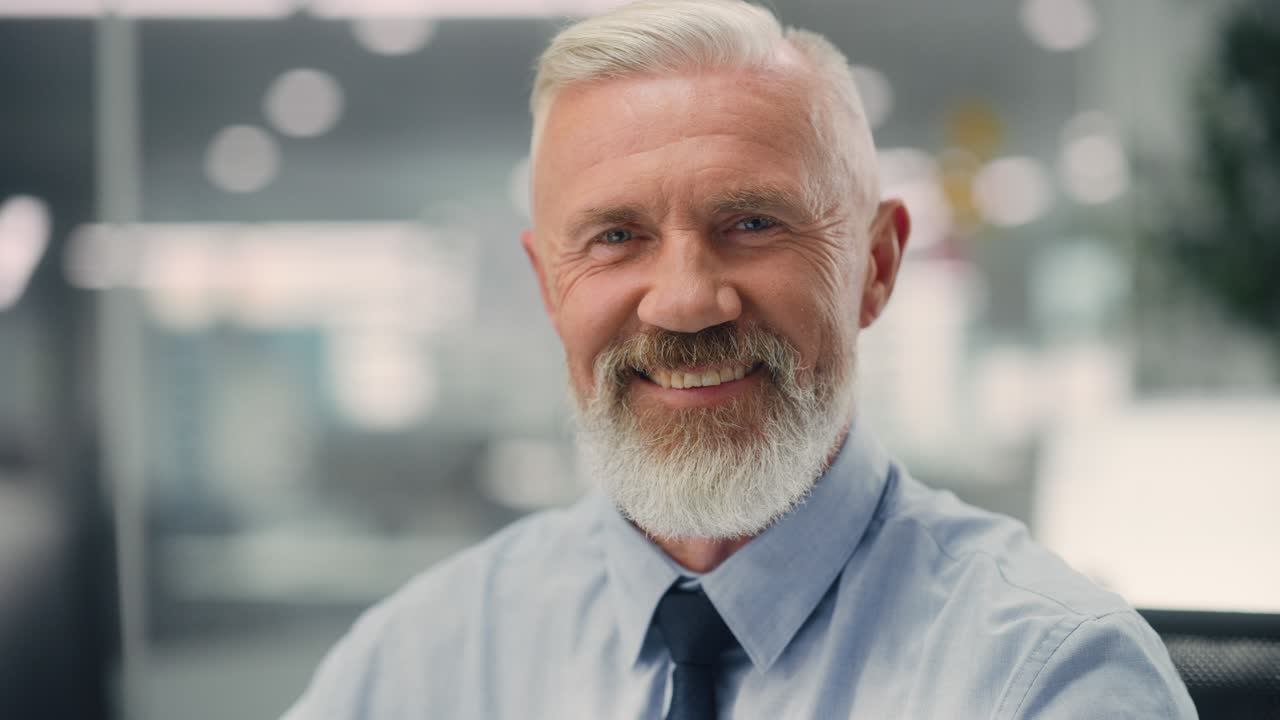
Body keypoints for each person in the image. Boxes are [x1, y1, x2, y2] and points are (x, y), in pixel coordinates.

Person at [284, 1, 1196, 717]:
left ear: (875, 268)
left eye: (752, 224)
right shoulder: (421, 664)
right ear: (548, 287)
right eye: (614, 236)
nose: (684, 300)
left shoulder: (1046, 679)